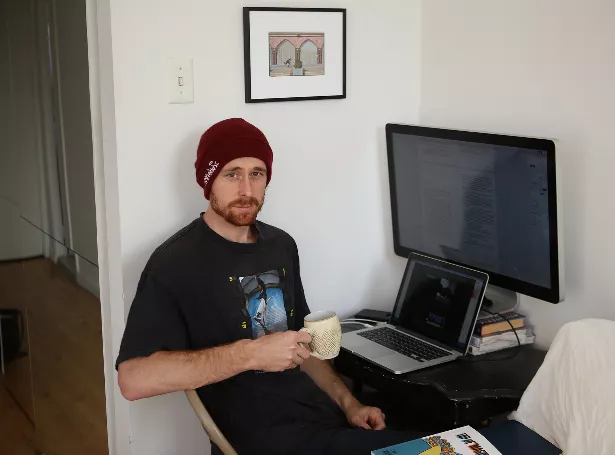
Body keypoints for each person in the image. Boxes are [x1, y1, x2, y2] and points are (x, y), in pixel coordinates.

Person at [116, 118, 423, 455]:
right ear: (208, 180)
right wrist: (249, 354)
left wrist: (349, 404)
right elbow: (134, 380)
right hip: (270, 440)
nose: (246, 190)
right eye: (232, 174)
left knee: (445, 439)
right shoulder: (174, 263)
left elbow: (302, 346)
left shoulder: (280, 245)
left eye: (256, 173)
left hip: (324, 420)